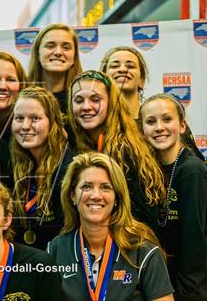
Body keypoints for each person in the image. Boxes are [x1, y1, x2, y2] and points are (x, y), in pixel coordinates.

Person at [48, 152, 174, 300]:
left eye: (105, 187)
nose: (95, 195)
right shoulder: (55, 249)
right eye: (86, 187)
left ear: (116, 198)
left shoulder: (143, 252)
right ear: (73, 195)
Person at [67, 70, 165, 232]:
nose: (86, 107)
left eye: (95, 99)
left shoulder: (128, 150)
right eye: (78, 100)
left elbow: (143, 216)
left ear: (111, 103)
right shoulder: (69, 144)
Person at [140, 93, 207, 300]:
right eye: (151, 122)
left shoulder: (192, 171)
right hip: (161, 284)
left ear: (183, 126)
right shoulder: (149, 169)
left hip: (190, 289)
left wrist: (187, 295)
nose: (159, 127)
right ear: (142, 131)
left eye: (167, 119)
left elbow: (195, 243)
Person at [11, 86, 74, 249]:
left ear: (53, 122)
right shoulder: (17, 164)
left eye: (35, 118)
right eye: (19, 118)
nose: (25, 126)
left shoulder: (71, 167)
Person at [28, 23, 82, 112]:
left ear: (74, 56)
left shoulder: (84, 99)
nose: (58, 52)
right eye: (50, 46)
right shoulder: (22, 97)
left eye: (66, 47)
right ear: (37, 54)